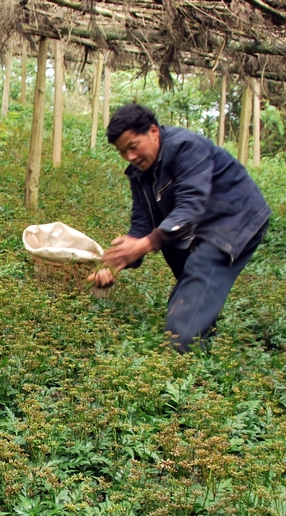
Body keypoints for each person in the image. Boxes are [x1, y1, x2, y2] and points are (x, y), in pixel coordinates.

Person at [89, 104, 271, 352]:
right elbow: (143, 222)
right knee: (183, 277)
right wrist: (117, 262)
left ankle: (183, 351)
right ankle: (200, 333)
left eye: (133, 146)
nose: (130, 157)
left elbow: (191, 204)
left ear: (153, 131)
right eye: (122, 152)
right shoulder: (139, 173)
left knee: (187, 312)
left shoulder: (186, 147)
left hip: (234, 217)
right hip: (195, 225)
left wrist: (146, 244)